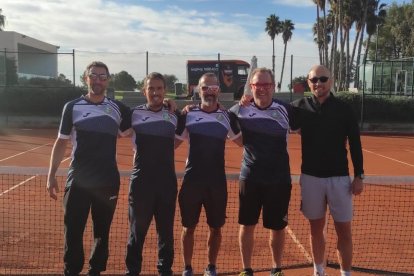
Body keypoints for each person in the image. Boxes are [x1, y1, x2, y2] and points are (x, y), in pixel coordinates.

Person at [47, 61, 131, 276]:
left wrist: (171, 106)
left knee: (101, 232)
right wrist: (51, 175)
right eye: (94, 75)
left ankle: (95, 270)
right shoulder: (72, 107)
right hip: (79, 181)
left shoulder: (118, 109)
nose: (98, 80)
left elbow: (146, 113)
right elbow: (61, 142)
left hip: (107, 181)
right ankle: (72, 271)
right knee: (73, 231)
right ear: (86, 78)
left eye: (103, 76)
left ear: (108, 80)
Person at [290, 65, 364, 276]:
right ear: (308, 82)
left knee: (344, 231)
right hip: (311, 178)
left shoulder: (344, 109)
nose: (318, 84)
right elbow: (270, 108)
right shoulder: (299, 107)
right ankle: (319, 270)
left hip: (339, 179)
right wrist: (244, 102)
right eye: (314, 80)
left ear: (330, 81)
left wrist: (359, 175)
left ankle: (345, 273)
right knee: (316, 229)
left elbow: (356, 144)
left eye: (323, 79)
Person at [228, 68, 294, 276]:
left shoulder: (285, 109)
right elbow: (216, 113)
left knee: (277, 227)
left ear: (273, 87)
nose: (262, 89)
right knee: (247, 225)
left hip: (279, 179)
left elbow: (313, 122)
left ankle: (276, 268)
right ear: (251, 87)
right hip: (251, 177)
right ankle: (246, 269)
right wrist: (184, 109)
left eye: (266, 85)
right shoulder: (240, 110)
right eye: (258, 85)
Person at [176, 72, 242, 276]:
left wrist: (246, 105)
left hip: (216, 183)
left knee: (216, 229)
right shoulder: (187, 115)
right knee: (189, 227)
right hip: (192, 181)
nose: (209, 92)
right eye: (205, 88)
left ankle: (210, 267)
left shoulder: (228, 116)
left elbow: (243, 142)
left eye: (213, 88)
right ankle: (187, 268)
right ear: (198, 90)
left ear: (219, 91)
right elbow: (173, 142)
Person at [125, 72, 181, 276]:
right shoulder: (132, 114)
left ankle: (165, 270)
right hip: (141, 183)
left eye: (159, 89)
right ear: (144, 91)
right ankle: (132, 271)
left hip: (166, 183)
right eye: (151, 88)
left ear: (165, 91)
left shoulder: (176, 114)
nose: (155, 93)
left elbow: (183, 132)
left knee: (165, 233)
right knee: (136, 233)